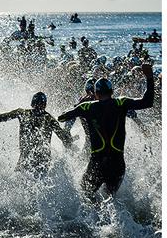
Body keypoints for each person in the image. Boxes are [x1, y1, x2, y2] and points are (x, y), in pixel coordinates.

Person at [57, 64, 154, 202]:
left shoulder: (87, 107)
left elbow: (62, 117)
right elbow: (147, 102)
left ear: (96, 94)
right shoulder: (121, 103)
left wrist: (77, 107)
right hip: (117, 163)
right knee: (110, 200)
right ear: (112, 91)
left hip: (97, 163)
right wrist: (149, 77)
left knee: (85, 196)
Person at [0, 90, 72, 178]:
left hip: (25, 162)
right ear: (45, 105)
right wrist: (68, 136)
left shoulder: (23, 113)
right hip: (42, 164)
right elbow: (66, 141)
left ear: (32, 104)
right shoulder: (50, 119)